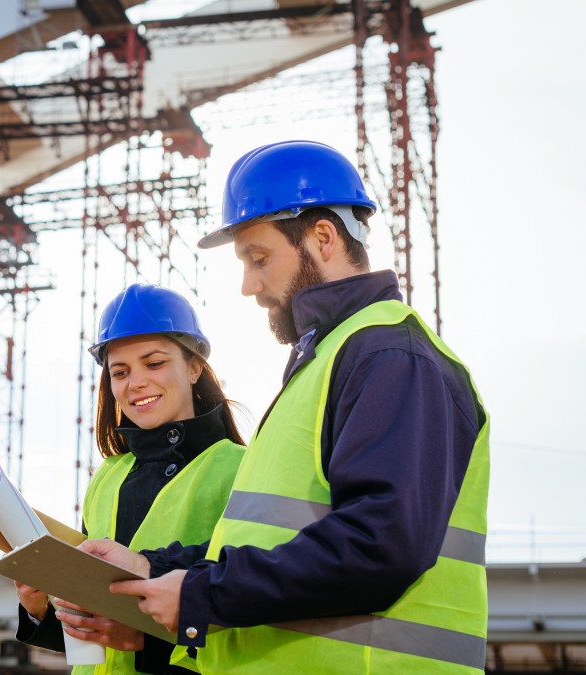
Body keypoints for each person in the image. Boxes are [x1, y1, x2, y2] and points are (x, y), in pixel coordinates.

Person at [82, 140, 490, 674]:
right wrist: (152, 566)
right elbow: (270, 542)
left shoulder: (392, 357)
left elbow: (380, 546)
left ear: (323, 237)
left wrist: (202, 594)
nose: (249, 285)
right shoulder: (330, 363)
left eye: (259, 259)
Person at [15, 284, 246, 674]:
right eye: (119, 372)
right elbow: (92, 629)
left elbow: (255, 603)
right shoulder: (106, 478)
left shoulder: (241, 468)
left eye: (153, 363)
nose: (134, 382)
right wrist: (39, 608)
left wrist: (145, 642)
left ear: (193, 367)